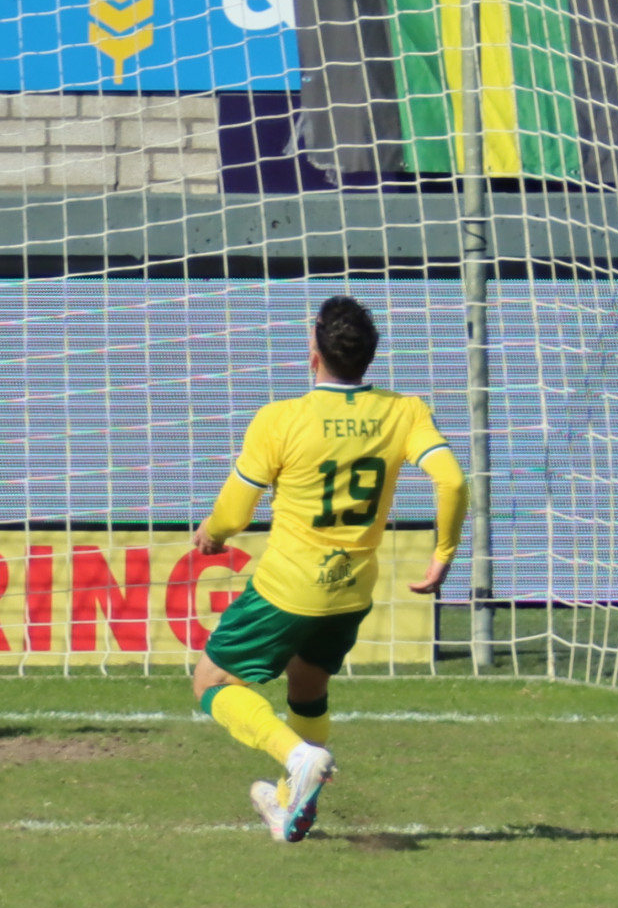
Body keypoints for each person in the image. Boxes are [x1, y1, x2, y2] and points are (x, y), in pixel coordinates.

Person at [186, 295, 464, 845]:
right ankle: (289, 805)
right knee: (307, 684)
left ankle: (296, 756)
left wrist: (212, 534)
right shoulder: (405, 410)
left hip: (288, 588)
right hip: (352, 590)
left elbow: (235, 513)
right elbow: (452, 481)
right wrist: (443, 556)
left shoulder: (280, 419)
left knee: (210, 682)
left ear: (313, 349)